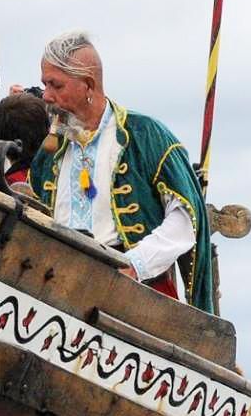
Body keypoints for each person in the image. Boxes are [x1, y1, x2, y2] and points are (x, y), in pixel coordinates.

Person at [27, 30, 215, 310]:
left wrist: (135, 265)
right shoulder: (50, 153)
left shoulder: (146, 136)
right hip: (61, 293)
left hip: (136, 296)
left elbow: (185, 218)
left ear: (88, 86)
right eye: (45, 84)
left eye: (56, 85)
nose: (46, 96)